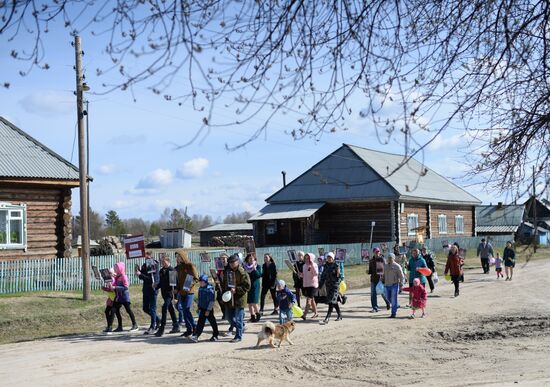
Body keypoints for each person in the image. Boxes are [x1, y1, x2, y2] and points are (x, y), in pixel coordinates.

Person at [222, 254, 251, 343]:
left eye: (233, 262)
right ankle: (241, 326)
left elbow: (247, 286)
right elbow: (225, 283)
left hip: (240, 299)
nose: (231, 264)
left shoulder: (242, 272)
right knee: (229, 317)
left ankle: (238, 336)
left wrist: (237, 289)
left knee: (238, 318)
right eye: (230, 263)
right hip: (230, 298)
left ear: (237, 262)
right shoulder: (228, 271)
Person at [175, 249, 199, 337]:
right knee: (184, 311)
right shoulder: (178, 268)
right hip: (181, 292)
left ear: (183, 257)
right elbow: (176, 280)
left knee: (186, 309)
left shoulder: (190, 266)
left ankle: (194, 326)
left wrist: (189, 285)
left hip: (189, 292)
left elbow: (196, 278)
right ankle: (189, 329)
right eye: (176, 257)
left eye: (179, 256)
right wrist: (176, 289)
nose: (177, 258)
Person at [154, 255, 180, 337]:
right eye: (161, 262)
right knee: (170, 308)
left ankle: (162, 327)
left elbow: (175, 284)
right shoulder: (161, 271)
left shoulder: (172, 270)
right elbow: (161, 283)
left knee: (164, 307)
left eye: (164, 261)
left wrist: (175, 296)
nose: (162, 263)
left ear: (168, 261)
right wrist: (156, 286)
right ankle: (176, 325)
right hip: (164, 293)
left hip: (170, 293)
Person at [135, 251, 160, 334]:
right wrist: (138, 273)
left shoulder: (154, 265)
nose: (146, 259)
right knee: (145, 308)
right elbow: (143, 277)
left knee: (152, 309)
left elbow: (151, 279)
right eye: (145, 257)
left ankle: (153, 326)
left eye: (148, 257)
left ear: (151, 256)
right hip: (146, 290)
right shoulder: (144, 265)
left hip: (152, 290)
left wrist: (141, 275)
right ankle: (158, 320)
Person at [109, 262, 138, 332]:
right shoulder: (117, 276)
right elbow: (113, 283)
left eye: (116, 268)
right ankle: (119, 326)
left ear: (120, 269)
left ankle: (135, 325)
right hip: (118, 297)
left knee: (128, 310)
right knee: (114, 310)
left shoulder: (124, 276)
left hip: (124, 297)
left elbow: (126, 287)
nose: (115, 269)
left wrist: (115, 287)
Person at [190, 274, 219, 342]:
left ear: (205, 281)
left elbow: (211, 301)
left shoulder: (210, 289)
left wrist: (208, 310)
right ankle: (196, 335)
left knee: (212, 322)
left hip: (208, 309)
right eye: (200, 281)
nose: (200, 283)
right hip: (202, 308)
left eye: (202, 281)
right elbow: (200, 299)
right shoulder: (200, 288)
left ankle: (215, 335)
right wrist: (198, 307)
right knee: (200, 322)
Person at [320, 252, 342, 324]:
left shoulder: (336, 266)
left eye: (330, 258)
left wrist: (338, 274)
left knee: (331, 302)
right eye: (328, 258)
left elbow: (340, 277)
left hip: (335, 286)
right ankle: (339, 315)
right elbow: (323, 276)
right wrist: (320, 285)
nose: (329, 259)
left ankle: (327, 317)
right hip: (328, 286)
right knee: (333, 301)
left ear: (333, 258)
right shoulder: (325, 266)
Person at [368, 247, 390, 312]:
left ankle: (387, 302)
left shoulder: (382, 259)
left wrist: (384, 278)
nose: (377, 253)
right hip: (373, 279)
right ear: (373, 252)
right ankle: (375, 307)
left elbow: (385, 269)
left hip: (380, 279)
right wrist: (368, 271)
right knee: (373, 294)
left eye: (378, 251)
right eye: (376, 252)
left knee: (382, 293)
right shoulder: (371, 260)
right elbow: (370, 271)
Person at [383, 253, 404, 318]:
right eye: (388, 258)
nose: (389, 259)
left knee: (394, 299)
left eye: (390, 258)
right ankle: (396, 305)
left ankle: (393, 313)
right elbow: (383, 275)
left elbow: (401, 276)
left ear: (393, 258)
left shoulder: (397, 266)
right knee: (387, 297)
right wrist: (382, 280)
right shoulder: (385, 266)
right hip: (387, 285)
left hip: (394, 285)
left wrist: (401, 284)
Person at [244, 253, 262, 322]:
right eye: (249, 258)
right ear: (247, 260)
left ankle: (258, 314)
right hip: (249, 286)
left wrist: (254, 269)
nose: (251, 259)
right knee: (249, 302)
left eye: (252, 258)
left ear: (254, 259)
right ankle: (252, 316)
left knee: (254, 302)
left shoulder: (258, 266)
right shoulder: (245, 267)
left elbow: (259, 275)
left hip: (255, 286)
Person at [101, 268, 121, 333]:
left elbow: (112, 289)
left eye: (110, 273)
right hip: (111, 298)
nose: (109, 274)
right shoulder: (109, 280)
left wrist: (105, 289)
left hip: (116, 298)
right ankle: (109, 326)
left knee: (113, 312)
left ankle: (110, 327)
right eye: (108, 273)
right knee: (107, 311)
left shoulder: (113, 279)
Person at [301, 252, 319, 320]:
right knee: (312, 300)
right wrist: (301, 275)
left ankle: (304, 315)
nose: (306, 259)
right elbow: (304, 275)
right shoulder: (304, 266)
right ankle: (316, 313)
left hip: (313, 285)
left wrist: (311, 266)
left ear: (311, 258)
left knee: (308, 300)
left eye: (308, 258)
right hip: (306, 285)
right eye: (305, 258)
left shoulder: (314, 265)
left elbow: (316, 273)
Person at [214, 253, 228, 320]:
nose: (222, 260)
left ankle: (228, 314)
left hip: (226, 286)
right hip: (220, 286)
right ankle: (224, 313)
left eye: (224, 258)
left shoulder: (228, 267)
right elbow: (217, 276)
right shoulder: (219, 268)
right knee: (219, 299)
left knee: (226, 300)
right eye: (221, 258)